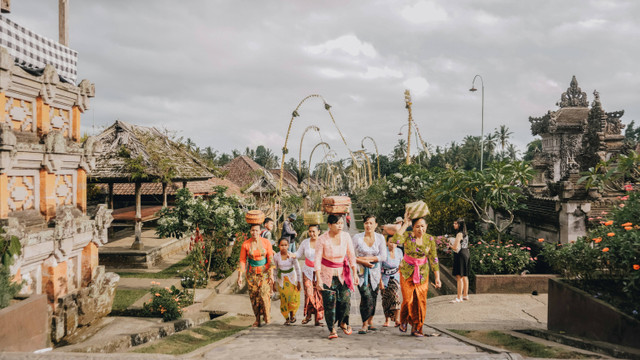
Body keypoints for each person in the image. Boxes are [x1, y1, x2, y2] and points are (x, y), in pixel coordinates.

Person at [391, 210, 441, 337]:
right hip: (407, 271)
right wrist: (405, 222)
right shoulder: (408, 235)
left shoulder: (430, 239)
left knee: (420, 301)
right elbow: (396, 240)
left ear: (426, 227)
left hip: (422, 273)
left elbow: (434, 259)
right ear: (413, 227)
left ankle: (417, 327)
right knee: (408, 300)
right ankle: (404, 320)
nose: (420, 229)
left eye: (423, 226)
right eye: (417, 226)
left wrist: (437, 278)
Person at [314, 214, 358, 339]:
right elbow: (317, 260)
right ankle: (332, 329)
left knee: (345, 300)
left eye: (341, 223)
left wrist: (355, 273)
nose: (340, 226)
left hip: (343, 274)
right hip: (326, 275)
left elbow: (351, 256)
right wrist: (318, 279)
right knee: (329, 303)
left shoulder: (346, 236)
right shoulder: (322, 239)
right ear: (329, 225)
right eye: (337, 223)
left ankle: (343, 322)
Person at [352, 215, 386, 334]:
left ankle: (370, 321)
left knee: (373, 296)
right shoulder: (357, 237)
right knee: (365, 296)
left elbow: (383, 256)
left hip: (375, 272)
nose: (368, 225)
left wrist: (369, 259)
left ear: (376, 225)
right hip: (361, 272)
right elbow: (350, 254)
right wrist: (361, 261)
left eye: (371, 223)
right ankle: (364, 323)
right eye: (366, 223)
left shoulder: (380, 238)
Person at [237, 224, 275, 327]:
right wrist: (240, 276)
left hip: (264, 273)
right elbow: (242, 260)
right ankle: (257, 319)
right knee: (254, 297)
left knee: (264, 295)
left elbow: (270, 258)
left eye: (257, 230)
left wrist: (271, 274)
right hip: (251, 274)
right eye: (253, 230)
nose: (255, 233)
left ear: (260, 231)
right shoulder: (246, 244)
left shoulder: (266, 242)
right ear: (250, 231)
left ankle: (267, 318)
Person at [294, 224, 324, 325]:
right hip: (307, 271)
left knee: (318, 295)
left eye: (314, 231)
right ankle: (308, 315)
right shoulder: (305, 242)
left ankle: (317, 318)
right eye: (310, 231)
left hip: (320, 272)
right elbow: (298, 254)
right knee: (309, 292)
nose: (311, 234)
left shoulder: (323, 242)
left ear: (319, 232)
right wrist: (290, 254)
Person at [273, 238, 302, 325]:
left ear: (288, 246)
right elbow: (275, 270)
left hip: (292, 280)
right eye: (282, 245)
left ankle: (292, 315)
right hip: (282, 280)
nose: (284, 247)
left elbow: (297, 268)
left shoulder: (292, 256)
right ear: (278, 246)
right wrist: (274, 282)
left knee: (293, 298)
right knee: (284, 299)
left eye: (285, 245)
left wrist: (299, 282)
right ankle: (287, 318)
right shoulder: (276, 257)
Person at [380, 234, 403, 327]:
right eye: (390, 242)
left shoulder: (399, 251)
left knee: (396, 296)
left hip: (395, 278)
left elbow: (402, 264)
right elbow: (379, 267)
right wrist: (380, 281)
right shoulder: (383, 252)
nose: (392, 244)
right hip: (384, 278)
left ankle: (397, 319)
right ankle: (387, 319)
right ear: (386, 242)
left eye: (394, 242)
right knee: (386, 299)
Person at [449, 218, 470, 303]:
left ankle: (459, 297)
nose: (454, 225)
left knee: (459, 276)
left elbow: (455, 247)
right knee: (464, 275)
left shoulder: (459, 234)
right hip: (466, 253)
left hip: (460, 254)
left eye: (456, 223)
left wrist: (449, 245)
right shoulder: (465, 233)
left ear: (459, 225)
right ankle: (465, 295)